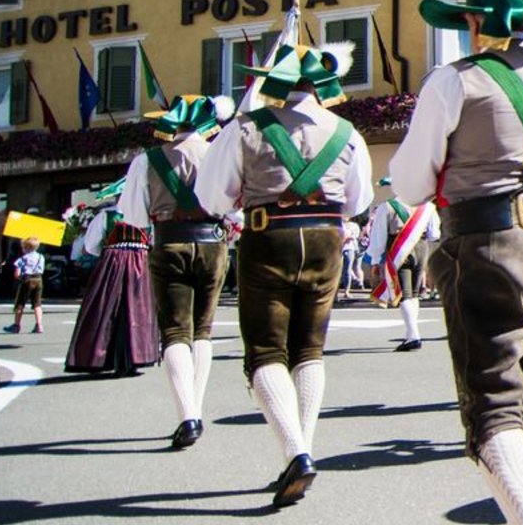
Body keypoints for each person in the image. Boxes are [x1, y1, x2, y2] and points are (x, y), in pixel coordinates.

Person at [393, 0, 523, 525]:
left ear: (481, 23)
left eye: (467, 20)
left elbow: (412, 185)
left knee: (493, 404)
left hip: (488, 239)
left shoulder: (456, 80)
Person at [198, 44, 372, 507]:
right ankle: (303, 448)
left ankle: (295, 452)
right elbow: (358, 202)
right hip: (325, 243)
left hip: (267, 237)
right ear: (322, 85)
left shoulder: (246, 128)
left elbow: (213, 197)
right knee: (309, 349)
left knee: (266, 352)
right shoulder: (348, 132)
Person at [118, 95, 234, 448]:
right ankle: (195, 407)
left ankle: (188, 415)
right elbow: (235, 207)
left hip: (169, 242)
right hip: (213, 244)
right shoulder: (218, 154)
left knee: (174, 331)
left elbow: (133, 217)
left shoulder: (146, 161)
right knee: (203, 329)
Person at [64, 179, 158, 377]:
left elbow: (90, 246)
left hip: (112, 263)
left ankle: (99, 355)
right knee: (138, 309)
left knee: (105, 309)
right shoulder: (148, 217)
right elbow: (154, 241)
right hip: (140, 263)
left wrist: (109, 254)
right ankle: (136, 356)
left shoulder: (105, 216)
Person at [366, 177, 440, 352]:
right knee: (414, 293)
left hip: (399, 249)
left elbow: (378, 237)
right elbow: (434, 234)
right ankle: (411, 333)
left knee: (405, 294)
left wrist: (376, 260)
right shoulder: (427, 207)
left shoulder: (387, 206)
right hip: (422, 248)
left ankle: (413, 335)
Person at [4, 237, 44, 334]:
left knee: (20, 304)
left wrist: (18, 278)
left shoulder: (22, 258)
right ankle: (39, 325)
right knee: (37, 304)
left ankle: (16, 325)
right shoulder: (41, 257)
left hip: (26, 280)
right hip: (38, 279)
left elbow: (17, 273)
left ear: (25, 247)